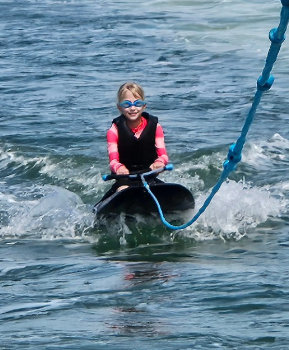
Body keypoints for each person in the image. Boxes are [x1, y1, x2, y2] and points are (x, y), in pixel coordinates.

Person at [105, 81, 169, 195]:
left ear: (144, 106)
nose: (133, 108)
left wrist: (159, 162)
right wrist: (118, 167)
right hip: (124, 179)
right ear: (119, 107)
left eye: (137, 103)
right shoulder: (114, 130)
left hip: (149, 176)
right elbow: (113, 161)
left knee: (165, 192)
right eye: (127, 104)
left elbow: (163, 155)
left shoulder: (156, 127)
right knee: (123, 191)